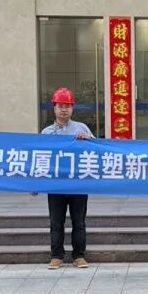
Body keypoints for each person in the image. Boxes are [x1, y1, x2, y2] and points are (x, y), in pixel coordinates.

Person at [39, 87, 93, 269]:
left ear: (72, 108)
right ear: (54, 108)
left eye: (67, 106)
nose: (64, 110)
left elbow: (97, 151)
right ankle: (56, 256)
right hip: (56, 185)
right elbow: (38, 159)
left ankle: (79, 256)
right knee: (56, 223)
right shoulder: (46, 133)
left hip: (78, 184)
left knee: (79, 223)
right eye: (60, 106)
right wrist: (34, 184)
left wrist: (88, 140)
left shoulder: (81, 128)